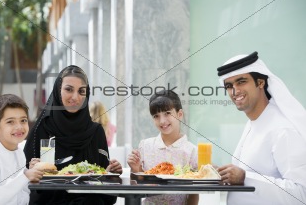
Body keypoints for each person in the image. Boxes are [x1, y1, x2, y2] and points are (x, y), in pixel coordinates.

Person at [24, 65, 122, 205]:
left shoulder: (96, 132)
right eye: (69, 89)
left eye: (81, 91)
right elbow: (26, 184)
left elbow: (106, 188)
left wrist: (110, 173)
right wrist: (31, 170)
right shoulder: (41, 130)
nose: (75, 97)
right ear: (58, 90)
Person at [216, 52, 306, 205]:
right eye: (229, 86)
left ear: (260, 82)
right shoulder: (254, 122)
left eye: (241, 81)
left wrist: (245, 178)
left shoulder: (282, 128)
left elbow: (300, 194)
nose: (235, 91)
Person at [127, 90, 199, 205]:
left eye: (167, 113)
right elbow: (139, 183)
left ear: (179, 114)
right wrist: (136, 170)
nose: (162, 121)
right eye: (156, 116)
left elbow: (194, 192)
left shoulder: (192, 151)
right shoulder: (145, 146)